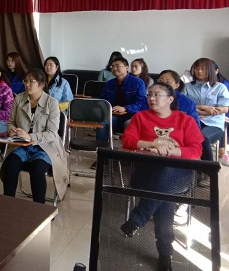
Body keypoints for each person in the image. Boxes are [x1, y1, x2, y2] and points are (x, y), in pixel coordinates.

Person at [120, 82, 203, 271]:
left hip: (179, 175)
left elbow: (196, 150)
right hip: (145, 173)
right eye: (149, 94)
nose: (151, 98)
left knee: (166, 176)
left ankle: (138, 218)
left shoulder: (185, 120)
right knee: (164, 196)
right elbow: (128, 141)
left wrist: (171, 151)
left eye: (157, 94)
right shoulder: (140, 117)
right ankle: (165, 254)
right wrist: (152, 145)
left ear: (170, 99)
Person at [1, 69, 69, 203]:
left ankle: (39, 208)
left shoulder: (52, 103)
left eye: (31, 81)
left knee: (37, 169)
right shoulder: (19, 99)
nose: (27, 84)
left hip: (46, 147)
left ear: (42, 84)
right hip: (22, 145)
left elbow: (52, 133)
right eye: (25, 81)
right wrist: (12, 130)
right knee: (10, 164)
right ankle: (8, 204)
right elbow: (11, 122)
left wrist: (30, 136)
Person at [183, 58, 229, 178]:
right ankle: (183, 172)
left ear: (210, 70)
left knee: (203, 138)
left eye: (203, 69)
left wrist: (199, 110)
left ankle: (209, 174)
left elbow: (224, 108)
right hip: (192, 121)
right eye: (196, 68)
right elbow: (183, 106)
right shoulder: (187, 87)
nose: (199, 71)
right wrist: (204, 108)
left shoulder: (220, 87)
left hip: (214, 124)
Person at [97, 56, 147, 145]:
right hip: (115, 115)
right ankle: (102, 150)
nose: (114, 68)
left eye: (117, 66)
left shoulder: (138, 83)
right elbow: (103, 100)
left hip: (133, 115)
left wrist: (125, 108)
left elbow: (141, 103)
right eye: (112, 66)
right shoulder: (109, 84)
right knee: (102, 124)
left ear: (127, 68)